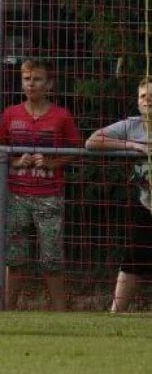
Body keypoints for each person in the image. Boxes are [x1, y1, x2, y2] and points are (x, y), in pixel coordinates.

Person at [0, 59, 80, 310]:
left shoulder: (61, 116)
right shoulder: (11, 114)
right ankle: (7, 311)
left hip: (49, 195)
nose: (31, 84)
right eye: (27, 79)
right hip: (17, 194)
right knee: (15, 258)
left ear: (49, 84)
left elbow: (75, 150)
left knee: (52, 257)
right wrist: (17, 160)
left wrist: (52, 163)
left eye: (38, 79)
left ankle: (59, 312)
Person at [84, 77, 152, 313]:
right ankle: (116, 313)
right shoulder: (132, 126)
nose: (148, 100)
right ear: (137, 100)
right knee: (132, 258)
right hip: (147, 205)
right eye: (144, 96)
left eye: (151, 96)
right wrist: (133, 146)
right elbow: (92, 142)